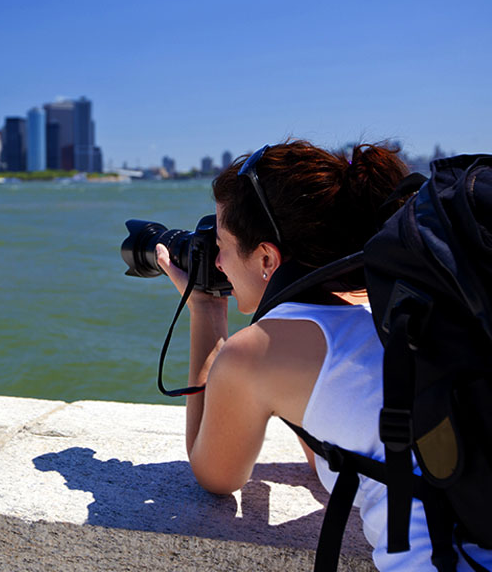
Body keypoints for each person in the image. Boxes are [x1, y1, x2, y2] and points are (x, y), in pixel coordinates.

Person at [155, 140, 491, 571]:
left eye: (221, 244)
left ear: (266, 257)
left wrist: (205, 308)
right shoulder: (400, 306)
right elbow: (330, 448)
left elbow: (216, 475)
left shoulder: (256, 353)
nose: (217, 263)